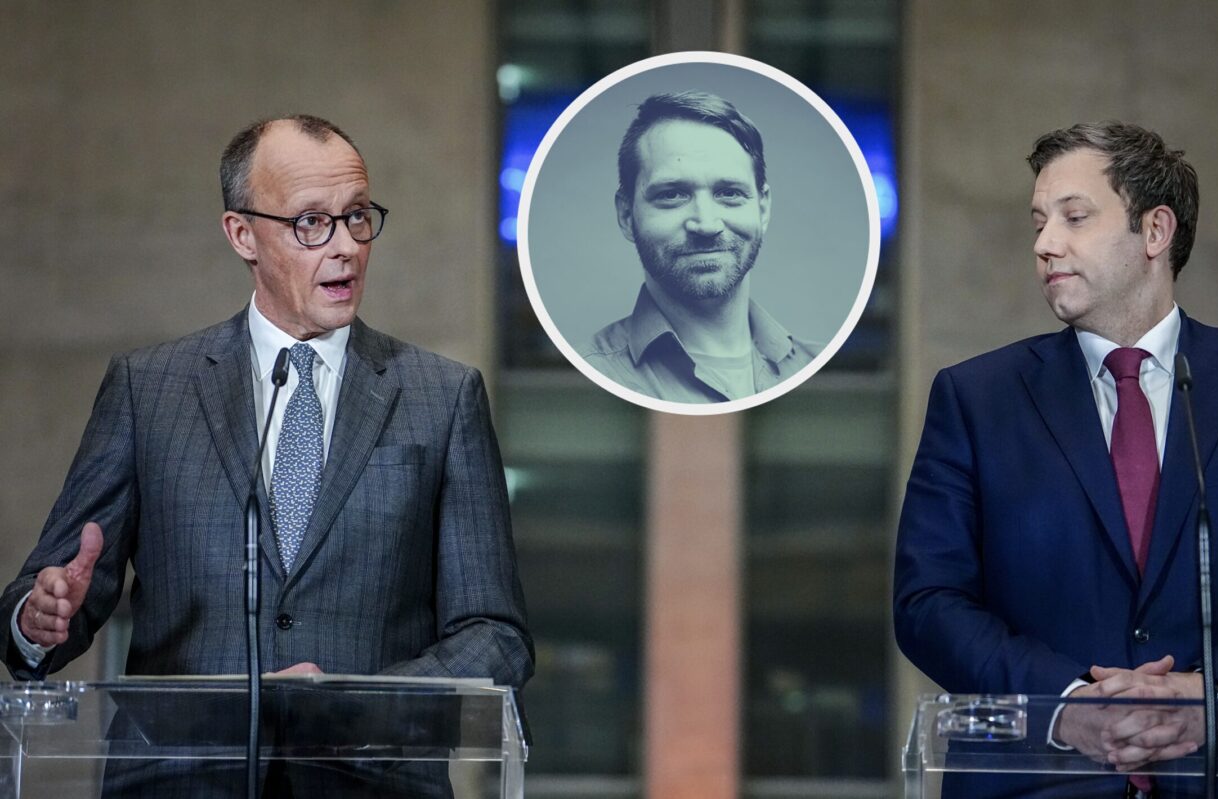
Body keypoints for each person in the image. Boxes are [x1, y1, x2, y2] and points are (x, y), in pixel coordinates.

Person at [0, 115, 533, 795]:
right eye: (312, 223)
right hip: (181, 782)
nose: (345, 247)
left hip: (366, 781)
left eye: (357, 216)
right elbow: (46, 596)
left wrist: (346, 701)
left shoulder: (443, 396)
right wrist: (38, 617)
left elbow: (497, 636)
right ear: (242, 234)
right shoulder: (150, 388)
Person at [893, 122, 1218, 798]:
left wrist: (1209, 689)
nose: (1044, 244)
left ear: (1154, 232)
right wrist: (1066, 703)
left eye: (1074, 217)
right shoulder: (974, 398)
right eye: (1038, 222)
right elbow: (927, 601)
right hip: (1036, 781)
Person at [580, 90, 819, 403]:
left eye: (729, 193)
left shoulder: (816, 367)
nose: (706, 224)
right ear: (627, 215)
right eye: (672, 194)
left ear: (762, 209)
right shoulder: (589, 376)